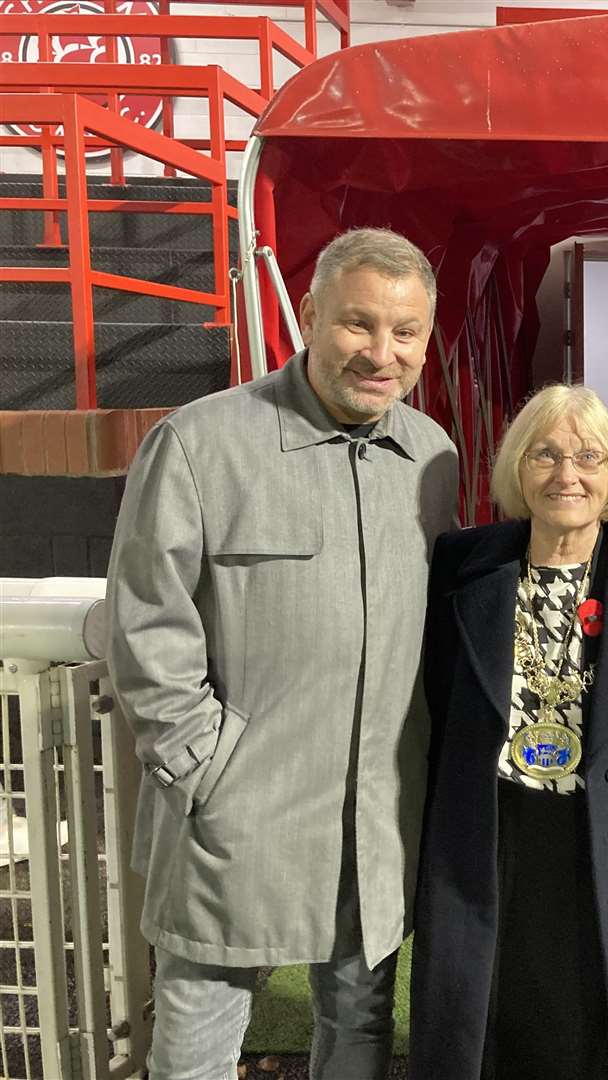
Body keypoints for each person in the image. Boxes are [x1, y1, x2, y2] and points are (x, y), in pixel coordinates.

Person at [106, 227, 458, 1080]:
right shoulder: (201, 443)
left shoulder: (433, 457)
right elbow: (145, 625)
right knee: (194, 1052)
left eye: (405, 332)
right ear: (308, 315)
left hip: (374, 823)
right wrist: (205, 768)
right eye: (358, 324)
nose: (382, 353)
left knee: (360, 1035)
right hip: (236, 818)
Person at [409, 384, 608, 1080]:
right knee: (486, 1042)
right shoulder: (460, 568)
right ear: (518, 466)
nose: (566, 473)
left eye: (587, 455)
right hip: (488, 848)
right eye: (545, 454)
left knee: (605, 1047)